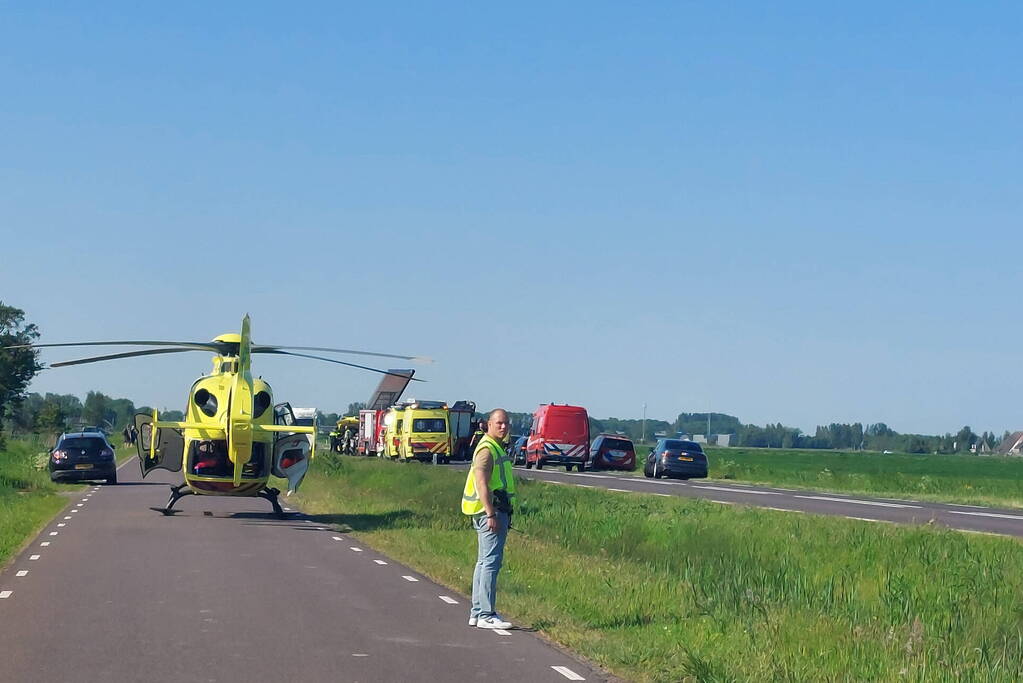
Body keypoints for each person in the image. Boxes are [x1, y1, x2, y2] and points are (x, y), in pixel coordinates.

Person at [461, 409, 516, 629]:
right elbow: (481, 483)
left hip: (491, 511)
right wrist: (491, 513)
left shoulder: (493, 447)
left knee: (484, 562)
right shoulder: (487, 449)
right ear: (489, 424)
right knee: (491, 563)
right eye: (499, 423)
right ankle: (486, 613)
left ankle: (477, 612)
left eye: (506, 424)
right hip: (490, 513)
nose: (503, 427)